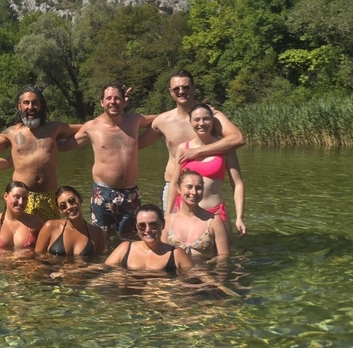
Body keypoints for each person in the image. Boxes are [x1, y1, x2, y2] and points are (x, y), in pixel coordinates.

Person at [0, 87, 80, 220]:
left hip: (48, 197)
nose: (31, 107)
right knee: (20, 238)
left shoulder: (55, 128)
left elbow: (87, 129)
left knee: (49, 238)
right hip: (21, 198)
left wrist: (65, 145)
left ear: (41, 105)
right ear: (19, 106)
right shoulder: (11, 133)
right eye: (26, 103)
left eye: (35, 102)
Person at [140, 70, 244, 215]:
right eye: (176, 89)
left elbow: (237, 138)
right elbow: (136, 146)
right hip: (173, 188)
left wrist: (197, 152)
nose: (181, 91)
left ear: (193, 88)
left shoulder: (210, 116)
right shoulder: (163, 121)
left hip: (203, 190)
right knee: (172, 236)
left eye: (186, 87)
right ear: (170, 92)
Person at [62, 83, 156, 236]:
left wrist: (190, 110)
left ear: (125, 101)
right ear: (102, 102)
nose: (113, 102)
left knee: (130, 238)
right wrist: (47, 133)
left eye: (117, 98)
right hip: (103, 192)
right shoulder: (91, 127)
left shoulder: (135, 120)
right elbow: (65, 146)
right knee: (101, 239)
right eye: (109, 98)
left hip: (130, 193)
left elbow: (162, 120)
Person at [166, 102, 246, 236]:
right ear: (190, 122)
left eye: (206, 119)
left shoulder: (225, 148)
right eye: (197, 119)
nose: (201, 123)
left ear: (212, 121)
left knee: (222, 255)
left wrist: (239, 217)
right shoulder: (183, 149)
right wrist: (168, 214)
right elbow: (174, 184)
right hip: (186, 214)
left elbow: (237, 183)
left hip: (215, 213)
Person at [105, 204, 194, 273]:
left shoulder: (176, 254)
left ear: (162, 224)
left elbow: (196, 275)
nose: (148, 230)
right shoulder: (125, 248)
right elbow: (105, 270)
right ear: (136, 227)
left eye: (153, 225)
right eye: (142, 226)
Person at [162, 170, 229, 258]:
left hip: (204, 269)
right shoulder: (167, 220)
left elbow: (223, 258)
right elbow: (160, 255)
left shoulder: (214, 221)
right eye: (189, 187)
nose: (194, 192)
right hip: (174, 271)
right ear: (179, 189)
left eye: (198, 188)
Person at [35, 186, 106, 256]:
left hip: (84, 267)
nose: (69, 207)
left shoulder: (97, 233)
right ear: (60, 210)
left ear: (80, 199)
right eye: (63, 206)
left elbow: (98, 261)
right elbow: (37, 258)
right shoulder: (50, 227)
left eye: (72, 201)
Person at [0, 181, 44, 250]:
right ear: (6, 196)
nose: (21, 202)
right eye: (17, 197)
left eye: (24, 198)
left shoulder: (35, 222)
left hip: (26, 261)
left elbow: (44, 252)